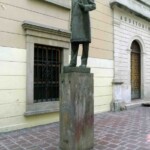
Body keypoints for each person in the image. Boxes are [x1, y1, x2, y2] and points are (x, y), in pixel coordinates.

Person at [69, 0, 96, 67]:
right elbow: (72, 12)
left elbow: (93, 6)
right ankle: (73, 62)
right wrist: (71, 24)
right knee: (74, 42)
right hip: (75, 22)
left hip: (84, 22)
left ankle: (84, 63)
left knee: (85, 42)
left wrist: (84, 7)